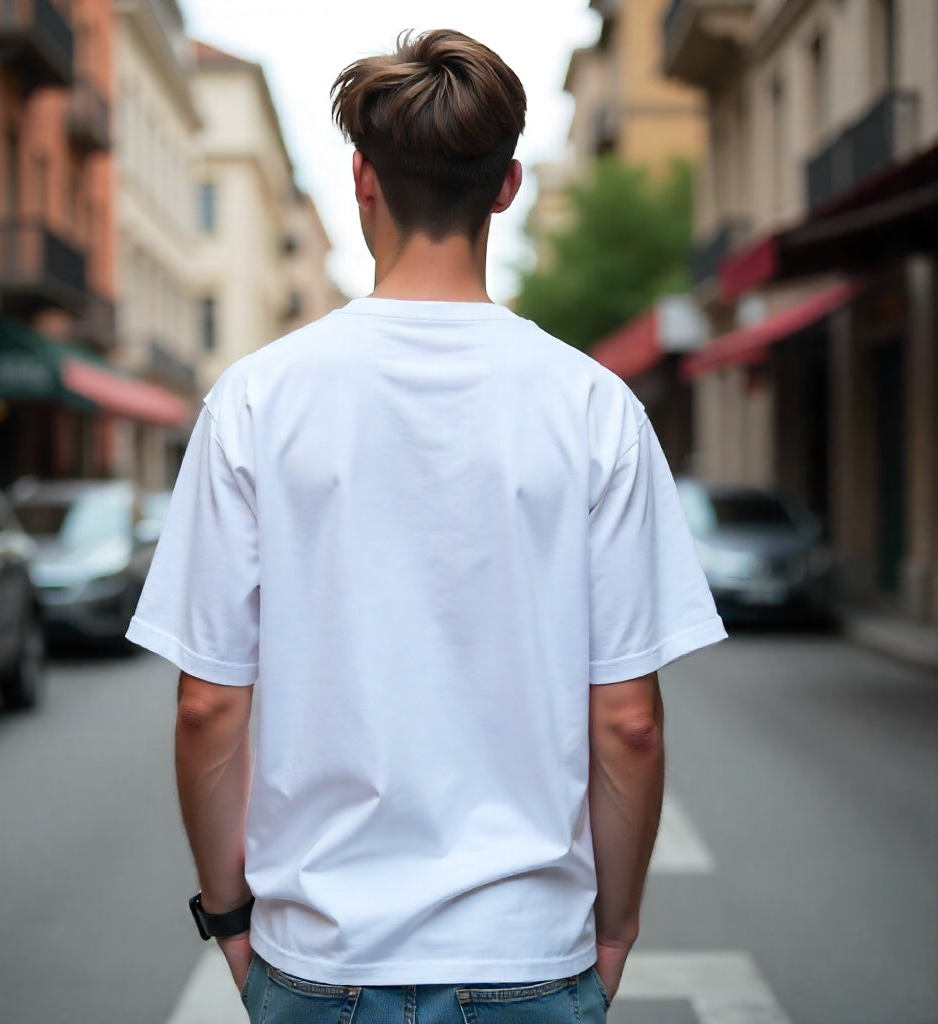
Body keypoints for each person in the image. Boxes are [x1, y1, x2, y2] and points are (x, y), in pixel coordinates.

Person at [127, 28, 726, 1024]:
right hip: (530, 954)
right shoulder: (594, 407)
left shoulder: (254, 401)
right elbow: (629, 719)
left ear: (362, 178)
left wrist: (231, 919)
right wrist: (610, 930)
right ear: (507, 187)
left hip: (320, 958)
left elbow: (206, 707)